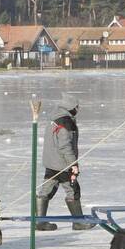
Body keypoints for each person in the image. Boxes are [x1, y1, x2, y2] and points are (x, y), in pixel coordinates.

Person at [36, 94, 95, 231]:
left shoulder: (54, 118)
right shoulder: (66, 123)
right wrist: (73, 164)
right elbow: (65, 146)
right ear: (70, 107)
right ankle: (78, 222)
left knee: (46, 190)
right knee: (73, 190)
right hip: (63, 164)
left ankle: (40, 222)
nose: (78, 109)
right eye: (76, 107)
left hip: (51, 162)